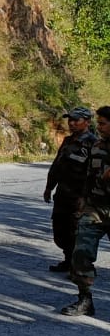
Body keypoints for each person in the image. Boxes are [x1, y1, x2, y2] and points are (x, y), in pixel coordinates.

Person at [60, 105, 110, 317]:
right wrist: (83, 202)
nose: (99, 127)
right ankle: (85, 299)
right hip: (97, 206)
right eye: (98, 123)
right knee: (80, 251)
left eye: (103, 124)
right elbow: (89, 177)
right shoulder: (97, 147)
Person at [44, 107, 96, 273]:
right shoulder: (67, 141)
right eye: (70, 120)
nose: (71, 123)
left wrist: (85, 197)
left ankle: (78, 266)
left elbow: (93, 174)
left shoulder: (92, 144)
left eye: (76, 120)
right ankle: (68, 259)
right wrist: (49, 187)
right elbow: (57, 165)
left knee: (77, 232)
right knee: (60, 231)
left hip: (79, 197)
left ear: (87, 122)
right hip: (63, 194)